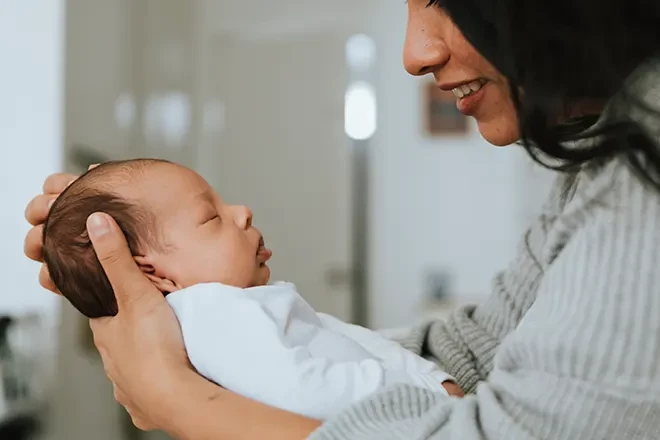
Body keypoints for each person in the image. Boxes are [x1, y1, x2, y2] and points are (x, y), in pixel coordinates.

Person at [23, 0, 660, 437]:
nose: (414, 53)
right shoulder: (607, 146)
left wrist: (178, 398)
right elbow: (480, 349)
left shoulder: (645, 149)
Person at [42, 158, 459, 419]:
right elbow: (304, 395)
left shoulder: (236, 306)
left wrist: (429, 378)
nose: (242, 212)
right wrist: (427, 396)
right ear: (156, 275)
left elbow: (348, 340)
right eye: (211, 217)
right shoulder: (210, 315)